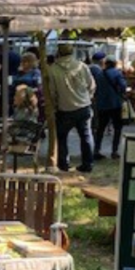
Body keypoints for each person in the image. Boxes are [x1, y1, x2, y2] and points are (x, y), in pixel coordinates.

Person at [45, 43, 96, 173]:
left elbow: (52, 91)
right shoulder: (81, 66)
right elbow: (91, 85)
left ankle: (63, 164)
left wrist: (56, 104)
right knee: (86, 136)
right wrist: (87, 97)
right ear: (72, 52)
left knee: (62, 137)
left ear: (58, 53)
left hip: (65, 108)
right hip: (83, 106)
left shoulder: (53, 69)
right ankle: (88, 163)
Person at [93, 56, 128, 159]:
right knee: (117, 128)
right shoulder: (117, 73)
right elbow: (123, 87)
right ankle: (114, 151)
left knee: (100, 129)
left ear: (106, 64)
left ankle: (96, 150)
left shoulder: (99, 74)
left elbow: (95, 88)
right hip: (115, 104)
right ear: (115, 64)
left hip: (102, 105)